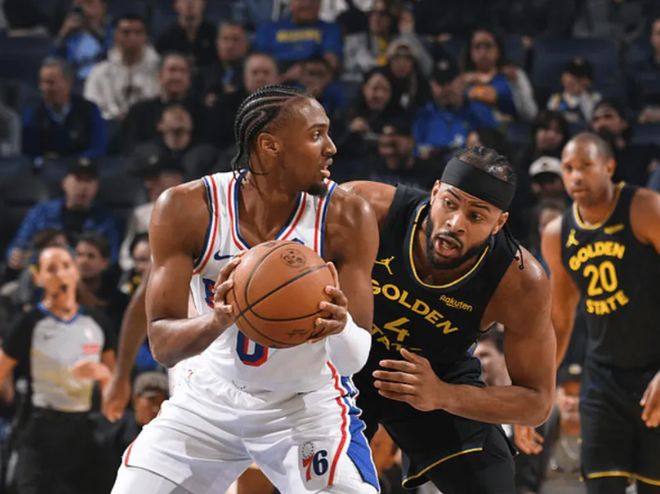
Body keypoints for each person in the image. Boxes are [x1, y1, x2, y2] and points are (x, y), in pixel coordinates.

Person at [110, 85, 381, 493]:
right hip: (209, 400)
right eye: (316, 135)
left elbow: (354, 359)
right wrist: (218, 319)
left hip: (305, 405)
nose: (331, 148)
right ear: (270, 145)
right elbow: (163, 345)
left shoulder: (346, 215)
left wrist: (340, 327)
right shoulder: (187, 208)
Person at [343, 146, 556, 493]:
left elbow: (537, 403)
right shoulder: (365, 208)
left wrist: (443, 395)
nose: (455, 223)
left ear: (499, 223)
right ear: (435, 192)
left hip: (434, 378)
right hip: (346, 367)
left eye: (476, 216)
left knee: (491, 483)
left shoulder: (519, 281)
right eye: (450, 203)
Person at [541, 132, 660, 493]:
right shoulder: (557, 234)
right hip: (603, 379)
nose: (576, 176)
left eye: (586, 166)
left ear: (609, 167)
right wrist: (538, 390)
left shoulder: (645, 209)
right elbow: (560, 319)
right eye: (568, 168)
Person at [0, 245, 116, 494]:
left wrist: (104, 375)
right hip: (39, 429)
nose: (61, 274)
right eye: (51, 269)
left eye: (66, 266)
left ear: (75, 272)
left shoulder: (97, 322)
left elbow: (115, 397)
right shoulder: (29, 323)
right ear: (38, 278)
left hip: (84, 431)